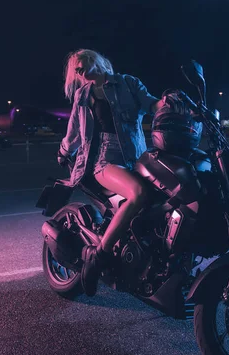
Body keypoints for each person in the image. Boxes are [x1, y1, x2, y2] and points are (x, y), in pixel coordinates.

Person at [57, 49, 179, 297]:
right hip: (103, 161)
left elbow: (152, 104)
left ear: (94, 60)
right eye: (75, 70)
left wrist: (168, 102)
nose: (77, 72)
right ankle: (98, 256)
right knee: (139, 193)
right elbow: (74, 131)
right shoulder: (82, 95)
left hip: (135, 158)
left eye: (80, 65)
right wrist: (63, 151)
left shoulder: (127, 83)